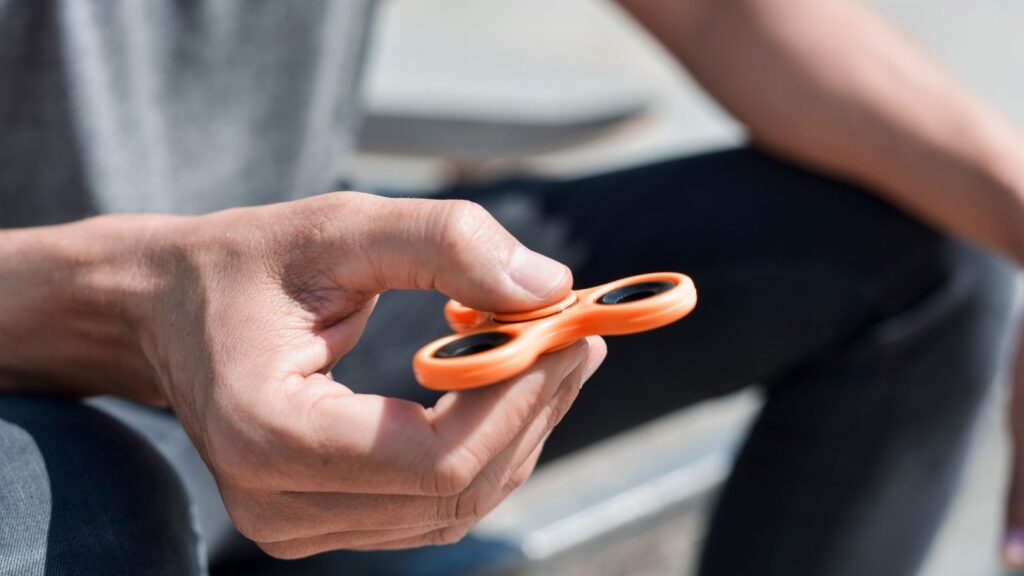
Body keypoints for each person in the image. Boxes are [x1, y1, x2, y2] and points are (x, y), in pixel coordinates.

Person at [0, 1, 1021, 575]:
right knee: (93, 520)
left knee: (928, 257)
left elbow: (720, 12)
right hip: (32, 341)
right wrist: (131, 299)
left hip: (304, 302)